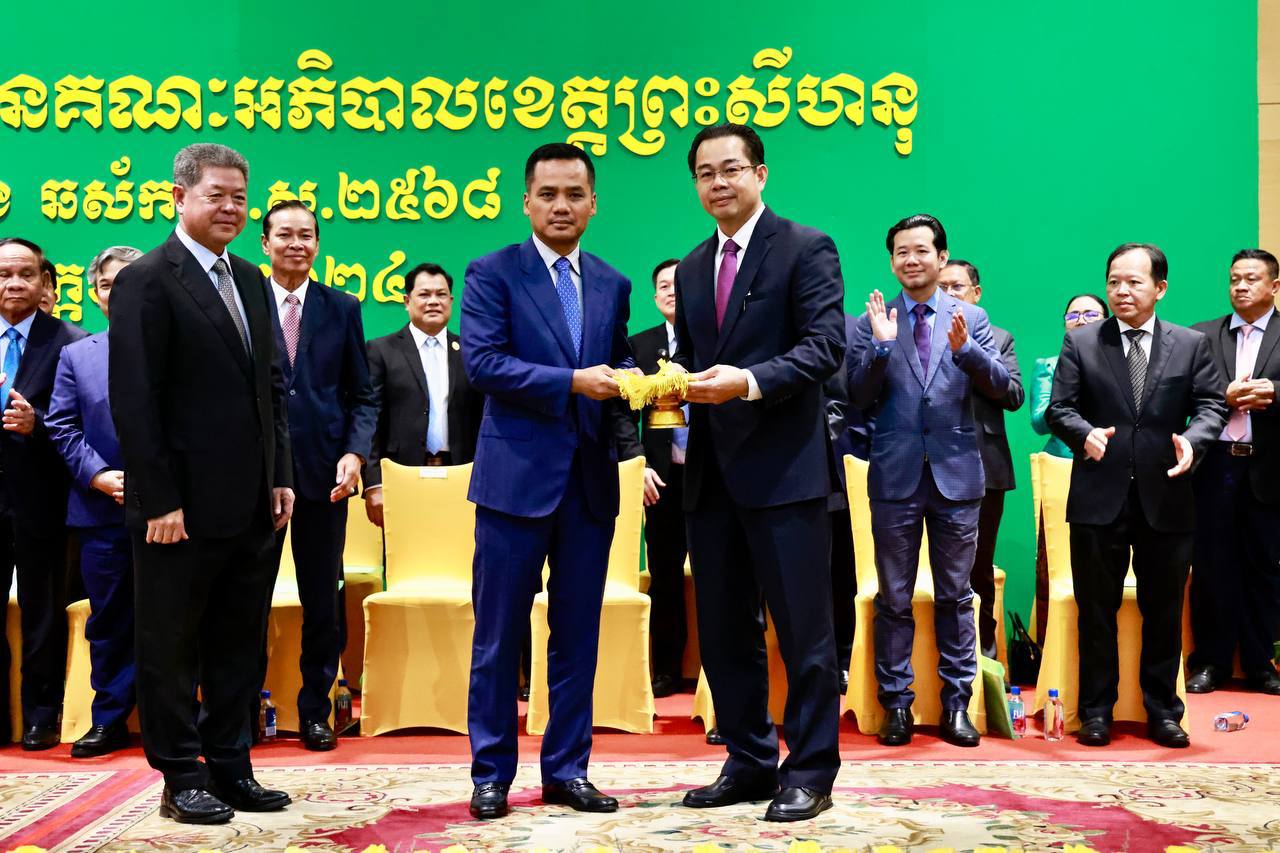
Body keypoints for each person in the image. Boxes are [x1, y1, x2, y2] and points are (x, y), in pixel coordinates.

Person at [109, 143, 295, 823]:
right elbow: (136, 398)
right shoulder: (146, 280)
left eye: (240, 197)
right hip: (177, 510)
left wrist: (280, 476)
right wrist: (159, 499)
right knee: (170, 645)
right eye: (216, 195)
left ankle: (231, 764)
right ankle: (180, 774)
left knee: (237, 643)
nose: (230, 208)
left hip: (251, 504)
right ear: (179, 197)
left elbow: (271, 387)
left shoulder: (249, 277)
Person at [672, 123, 845, 823]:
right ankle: (747, 760)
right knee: (722, 632)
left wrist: (745, 382)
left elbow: (826, 347)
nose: (719, 183)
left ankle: (811, 769)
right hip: (710, 477)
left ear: (760, 173)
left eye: (731, 169)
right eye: (705, 173)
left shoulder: (805, 247)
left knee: (804, 633)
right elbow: (694, 360)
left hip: (785, 474)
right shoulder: (691, 266)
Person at [461, 143, 634, 821]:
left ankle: (567, 769)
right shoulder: (492, 272)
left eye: (575, 194)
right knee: (498, 637)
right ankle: (490, 774)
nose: (562, 206)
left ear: (594, 204)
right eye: (549, 194)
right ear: (526, 201)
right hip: (514, 483)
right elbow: (483, 364)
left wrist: (642, 383)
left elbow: (616, 364)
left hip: (589, 484)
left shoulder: (614, 282)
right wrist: (572, 382)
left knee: (577, 636)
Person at [1046, 242, 1225, 749]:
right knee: (1096, 612)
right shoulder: (1083, 342)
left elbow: (1212, 405)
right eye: (1114, 282)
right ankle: (1096, 712)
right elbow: (1060, 408)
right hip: (1098, 496)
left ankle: (1163, 712)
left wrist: (1193, 440)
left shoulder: (1190, 345)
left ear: (1160, 288)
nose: (1121, 291)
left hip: (1166, 495)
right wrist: (1084, 433)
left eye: (1133, 282)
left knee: (1164, 612)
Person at [848, 214, 1009, 750]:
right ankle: (896, 704)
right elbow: (856, 395)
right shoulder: (873, 320)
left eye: (921, 250)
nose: (911, 260)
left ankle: (957, 705)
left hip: (957, 477)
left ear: (942, 258)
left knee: (956, 595)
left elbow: (1003, 388)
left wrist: (968, 351)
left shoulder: (973, 318)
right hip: (894, 476)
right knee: (893, 597)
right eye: (901, 252)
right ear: (892, 261)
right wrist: (880, 347)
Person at [261, 200, 377, 750]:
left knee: (322, 602)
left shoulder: (342, 307)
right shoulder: (244, 301)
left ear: (317, 244)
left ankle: (315, 711)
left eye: (306, 235)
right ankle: (238, 712)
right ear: (265, 243)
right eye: (285, 234)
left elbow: (362, 395)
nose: (296, 244)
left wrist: (356, 453)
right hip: (256, 477)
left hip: (325, 476)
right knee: (246, 600)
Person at [46, 245, 142, 757]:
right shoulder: (76, 355)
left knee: (177, 618)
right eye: (108, 284)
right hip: (101, 510)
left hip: (173, 511)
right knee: (109, 620)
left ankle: (175, 719)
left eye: (129, 282)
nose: (118, 292)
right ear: (95, 295)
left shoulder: (182, 348)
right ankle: (109, 718)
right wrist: (99, 475)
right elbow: (61, 425)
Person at [0, 237, 87, 749]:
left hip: (45, 501)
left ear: (45, 282)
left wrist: (40, 425)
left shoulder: (71, 343)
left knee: (43, 612)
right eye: (4, 274)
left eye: (25, 274)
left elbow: (87, 426)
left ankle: (40, 714)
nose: (14, 283)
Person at [1186, 249, 1280, 696]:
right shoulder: (1202, 335)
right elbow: (1181, 393)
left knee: (1266, 569)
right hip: (1215, 465)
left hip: (1269, 467)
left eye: (1251, 279)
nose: (1240, 286)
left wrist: (1274, 392)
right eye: (1234, 279)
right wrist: (1220, 395)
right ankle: (1210, 662)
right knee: (1212, 567)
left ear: (1274, 286)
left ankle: (1262, 665)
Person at [938, 259, 1025, 660]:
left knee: (978, 566)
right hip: (926, 464)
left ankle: (983, 657)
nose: (948, 294)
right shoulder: (917, 332)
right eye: (941, 287)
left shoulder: (998, 338)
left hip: (982, 466)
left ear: (976, 293)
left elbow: (1013, 395)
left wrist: (969, 351)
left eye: (956, 287)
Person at [612, 257, 690, 699]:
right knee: (664, 576)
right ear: (654, 296)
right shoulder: (639, 346)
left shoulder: (717, 339)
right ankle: (667, 669)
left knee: (726, 577)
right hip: (660, 479)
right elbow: (623, 416)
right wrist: (638, 463)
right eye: (664, 285)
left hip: (714, 479)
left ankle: (718, 674)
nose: (672, 291)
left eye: (680, 284)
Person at [363, 262, 483, 526]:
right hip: (401, 476)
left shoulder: (470, 353)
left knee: (459, 549)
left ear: (451, 301)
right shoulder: (381, 351)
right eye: (424, 294)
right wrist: (373, 483)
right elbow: (370, 419)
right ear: (407, 301)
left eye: (441, 294)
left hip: (462, 477)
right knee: (403, 549)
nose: (433, 301)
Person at [1028, 293, 1108, 641]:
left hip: (1109, 469)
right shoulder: (1048, 365)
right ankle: (1049, 646)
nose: (1081, 320)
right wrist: (1070, 393)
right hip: (1061, 468)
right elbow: (1038, 421)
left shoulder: (1122, 365)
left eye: (1090, 314)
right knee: (1054, 563)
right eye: (1073, 315)